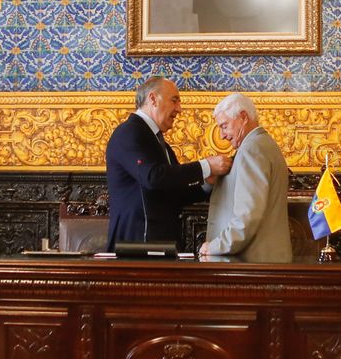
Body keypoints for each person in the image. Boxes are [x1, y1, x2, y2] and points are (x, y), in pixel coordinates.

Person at [105, 77, 230, 249]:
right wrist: (206, 166)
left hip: (158, 247)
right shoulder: (129, 132)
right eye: (174, 100)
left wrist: (208, 183)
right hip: (135, 249)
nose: (179, 109)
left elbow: (174, 194)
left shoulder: (157, 141)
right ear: (153, 99)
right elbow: (152, 177)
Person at [198, 93, 292, 262]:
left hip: (254, 262)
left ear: (243, 117)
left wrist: (215, 247)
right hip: (264, 260)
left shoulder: (252, 149)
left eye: (224, 126)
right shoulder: (262, 144)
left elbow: (248, 216)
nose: (222, 135)